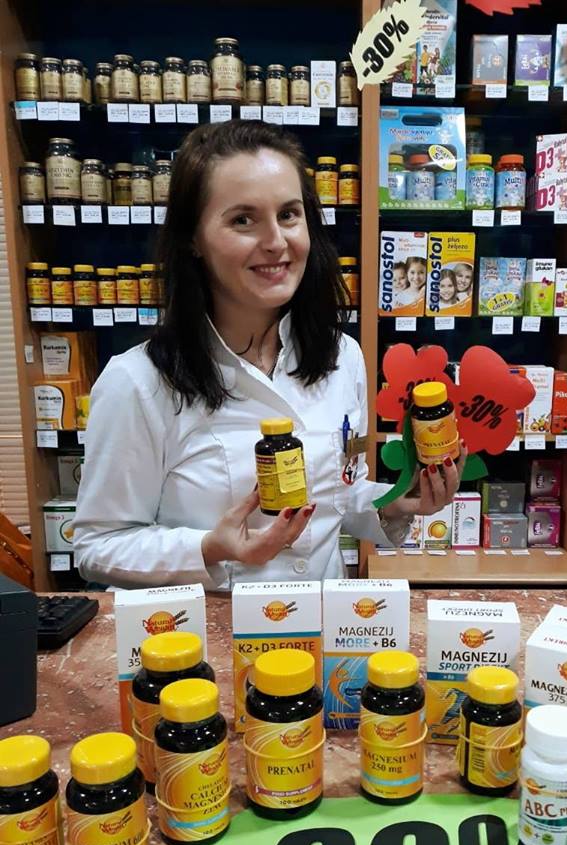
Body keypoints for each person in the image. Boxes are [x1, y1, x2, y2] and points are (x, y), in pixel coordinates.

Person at [73, 121, 466, 590]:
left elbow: (341, 493)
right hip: (209, 629)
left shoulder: (342, 357)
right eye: (243, 220)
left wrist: (401, 501)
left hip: (321, 623)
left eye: (289, 214)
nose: (276, 241)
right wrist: (210, 548)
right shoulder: (139, 381)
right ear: (193, 238)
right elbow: (97, 546)